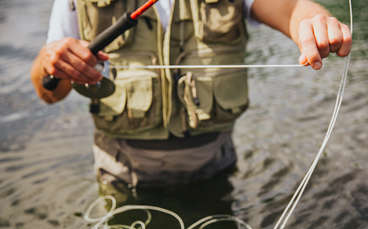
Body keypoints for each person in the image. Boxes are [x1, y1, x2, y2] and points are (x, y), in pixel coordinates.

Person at [30, 0, 351, 189]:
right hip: (119, 179)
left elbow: (292, 7)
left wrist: (314, 23)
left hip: (216, 173)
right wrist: (51, 62)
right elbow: (49, 93)